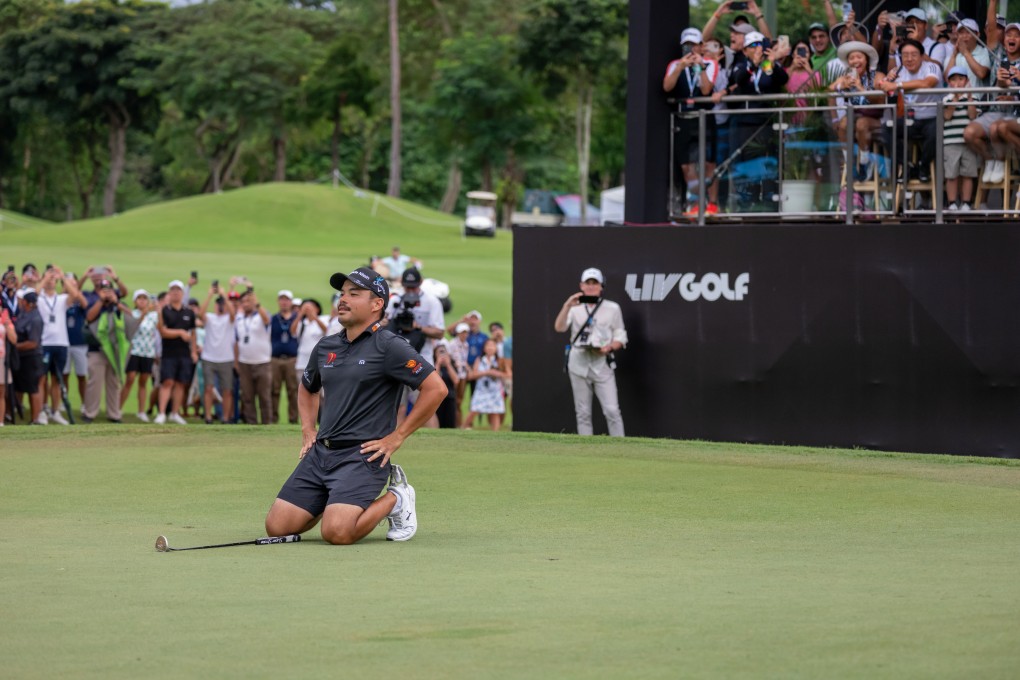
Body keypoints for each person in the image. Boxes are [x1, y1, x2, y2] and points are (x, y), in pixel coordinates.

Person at [264, 266, 447, 545]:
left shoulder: (389, 346)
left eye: (354, 293)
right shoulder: (326, 346)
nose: (343, 299)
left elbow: (436, 388)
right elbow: (307, 387)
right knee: (278, 527)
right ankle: (336, 497)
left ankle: (397, 498)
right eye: (342, 293)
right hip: (321, 454)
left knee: (337, 533)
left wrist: (397, 437)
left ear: (377, 305)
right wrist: (307, 429)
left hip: (363, 456)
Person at [554, 267, 627, 437]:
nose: (591, 287)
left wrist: (609, 347)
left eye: (595, 283)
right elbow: (559, 327)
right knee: (583, 412)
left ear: (601, 286)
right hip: (578, 361)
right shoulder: (574, 308)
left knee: (612, 410)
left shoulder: (612, 308)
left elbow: (620, 335)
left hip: (601, 361)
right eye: (588, 283)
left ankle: (621, 447)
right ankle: (586, 450)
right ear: (581, 285)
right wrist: (567, 305)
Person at [664, 27, 720, 217]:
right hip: (683, 119)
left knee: (708, 162)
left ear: (701, 46)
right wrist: (681, 67)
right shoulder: (675, 65)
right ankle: (697, 203)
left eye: (694, 45)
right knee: (687, 165)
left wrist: (700, 68)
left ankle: (712, 204)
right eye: (687, 46)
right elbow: (666, 87)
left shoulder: (710, 64)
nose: (690, 50)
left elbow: (706, 90)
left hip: (703, 117)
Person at [877, 38, 942, 183]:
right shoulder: (898, 71)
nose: (909, 59)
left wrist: (897, 85)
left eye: (913, 54)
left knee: (935, 131)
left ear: (921, 55)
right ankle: (906, 164)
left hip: (932, 117)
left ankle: (923, 167)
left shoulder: (931, 67)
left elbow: (927, 83)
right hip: (910, 119)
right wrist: (888, 80)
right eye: (905, 55)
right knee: (886, 128)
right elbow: (885, 89)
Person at [36, 266, 85, 425]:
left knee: (57, 380)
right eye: (49, 278)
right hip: (44, 343)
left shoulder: (62, 299)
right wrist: (44, 279)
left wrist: (63, 277)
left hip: (61, 343)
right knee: (42, 379)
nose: (51, 280)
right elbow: (32, 295)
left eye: (53, 279)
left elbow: (75, 295)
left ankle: (55, 411)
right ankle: (42, 411)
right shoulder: (40, 298)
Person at [828, 41, 885, 180]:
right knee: (843, 123)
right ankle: (850, 163)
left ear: (866, 59)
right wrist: (841, 86)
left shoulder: (877, 76)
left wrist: (860, 88)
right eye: (851, 58)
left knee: (861, 124)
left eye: (859, 57)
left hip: (878, 119)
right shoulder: (845, 77)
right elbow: (829, 91)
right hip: (855, 117)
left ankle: (865, 162)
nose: (855, 61)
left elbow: (880, 101)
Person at [83, 279, 133, 423]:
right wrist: (101, 302)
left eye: (108, 289)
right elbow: (89, 317)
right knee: (94, 383)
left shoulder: (118, 303)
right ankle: (90, 413)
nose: (105, 292)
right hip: (97, 349)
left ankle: (114, 413)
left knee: (114, 384)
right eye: (102, 289)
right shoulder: (94, 302)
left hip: (115, 350)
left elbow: (130, 316)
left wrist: (116, 302)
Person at [155, 280, 197, 425]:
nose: (175, 293)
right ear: (169, 293)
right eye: (173, 290)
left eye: (178, 290)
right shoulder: (165, 311)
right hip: (168, 353)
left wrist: (194, 351)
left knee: (180, 383)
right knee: (167, 382)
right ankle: (161, 413)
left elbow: (193, 332)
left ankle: (174, 413)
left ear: (182, 293)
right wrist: (179, 332)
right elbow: (162, 331)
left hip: (184, 353)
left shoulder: (189, 312)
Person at [198, 282, 237, 424]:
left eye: (222, 304)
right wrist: (209, 295)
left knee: (227, 390)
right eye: (218, 304)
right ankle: (208, 416)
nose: (220, 306)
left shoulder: (230, 319)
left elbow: (233, 313)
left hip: (226, 358)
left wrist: (223, 295)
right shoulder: (210, 317)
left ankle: (225, 418)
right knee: (208, 388)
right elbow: (200, 314)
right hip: (209, 357)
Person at [943, 66, 980, 211]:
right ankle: (952, 203)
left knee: (968, 174)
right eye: (953, 79)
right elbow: (947, 116)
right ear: (949, 82)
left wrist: (969, 98)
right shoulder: (946, 98)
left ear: (966, 81)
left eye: (960, 79)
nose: (957, 82)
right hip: (950, 142)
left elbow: (973, 116)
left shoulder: (974, 97)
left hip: (968, 143)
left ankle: (966, 203)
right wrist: (955, 99)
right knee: (951, 174)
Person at [120, 290, 159, 422]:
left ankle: (141, 411)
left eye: (144, 299)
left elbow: (159, 329)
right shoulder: (132, 314)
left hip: (148, 352)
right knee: (130, 379)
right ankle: (118, 409)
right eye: (139, 299)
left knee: (143, 382)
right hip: (134, 350)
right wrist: (146, 311)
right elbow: (135, 326)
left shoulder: (154, 315)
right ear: (135, 301)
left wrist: (158, 309)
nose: (142, 301)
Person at [234, 289, 272, 424]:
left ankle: (267, 424)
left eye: (248, 301)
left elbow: (267, 319)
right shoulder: (239, 319)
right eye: (243, 302)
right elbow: (237, 342)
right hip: (245, 363)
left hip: (262, 362)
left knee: (264, 397)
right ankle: (252, 424)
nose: (245, 304)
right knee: (247, 397)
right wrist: (237, 362)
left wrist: (256, 302)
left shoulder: (261, 315)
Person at [463, 338, 509, 431]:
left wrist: (497, 374)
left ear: (496, 348)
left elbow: (508, 374)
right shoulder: (479, 359)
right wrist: (487, 372)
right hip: (481, 390)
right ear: (484, 348)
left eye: (492, 346)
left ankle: (495, 433)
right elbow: (473, 375)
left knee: (495, 412)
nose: (490, 348)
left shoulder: (500, 361)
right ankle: (463, 428)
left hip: (495, 391)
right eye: (488, 346)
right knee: (474, 410)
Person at [13, 290, 45, 424]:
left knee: (33, 388)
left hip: (31, 358)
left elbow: (33, 343)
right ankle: (17, 414)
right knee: (20, 388)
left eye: (22, 300)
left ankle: (35, 419)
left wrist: (14, 346)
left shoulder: (35, 318)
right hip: (22, 358)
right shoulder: (23, 314)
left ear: (26, 302)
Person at [270, 290, 300, 425]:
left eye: (287, 300)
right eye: (281, 299)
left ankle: (293, 420)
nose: (284, 302)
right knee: (274, 390)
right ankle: (273, 419)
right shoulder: (274, 319)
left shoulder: (296, 319)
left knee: (292, 391)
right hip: (275, 359)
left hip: (292, 359)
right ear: (278, 301)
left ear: (291, 302)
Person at [431, 340, 459, 429]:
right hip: (438, 399)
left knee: (450, 423)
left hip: (450, 397)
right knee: (439, 422)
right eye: (439, 352)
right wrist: (438, 364)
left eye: (444, 352)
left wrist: (448, 365)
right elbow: (434, 379)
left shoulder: (451, 365)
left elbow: (456, 381)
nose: (442, 355)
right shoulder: (433, 366)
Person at [0, 306, 15, 425]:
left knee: (1, 392)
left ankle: (0, 422)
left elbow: (14, 339)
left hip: (2, 358)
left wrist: (5, 323)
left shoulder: (5, 318)